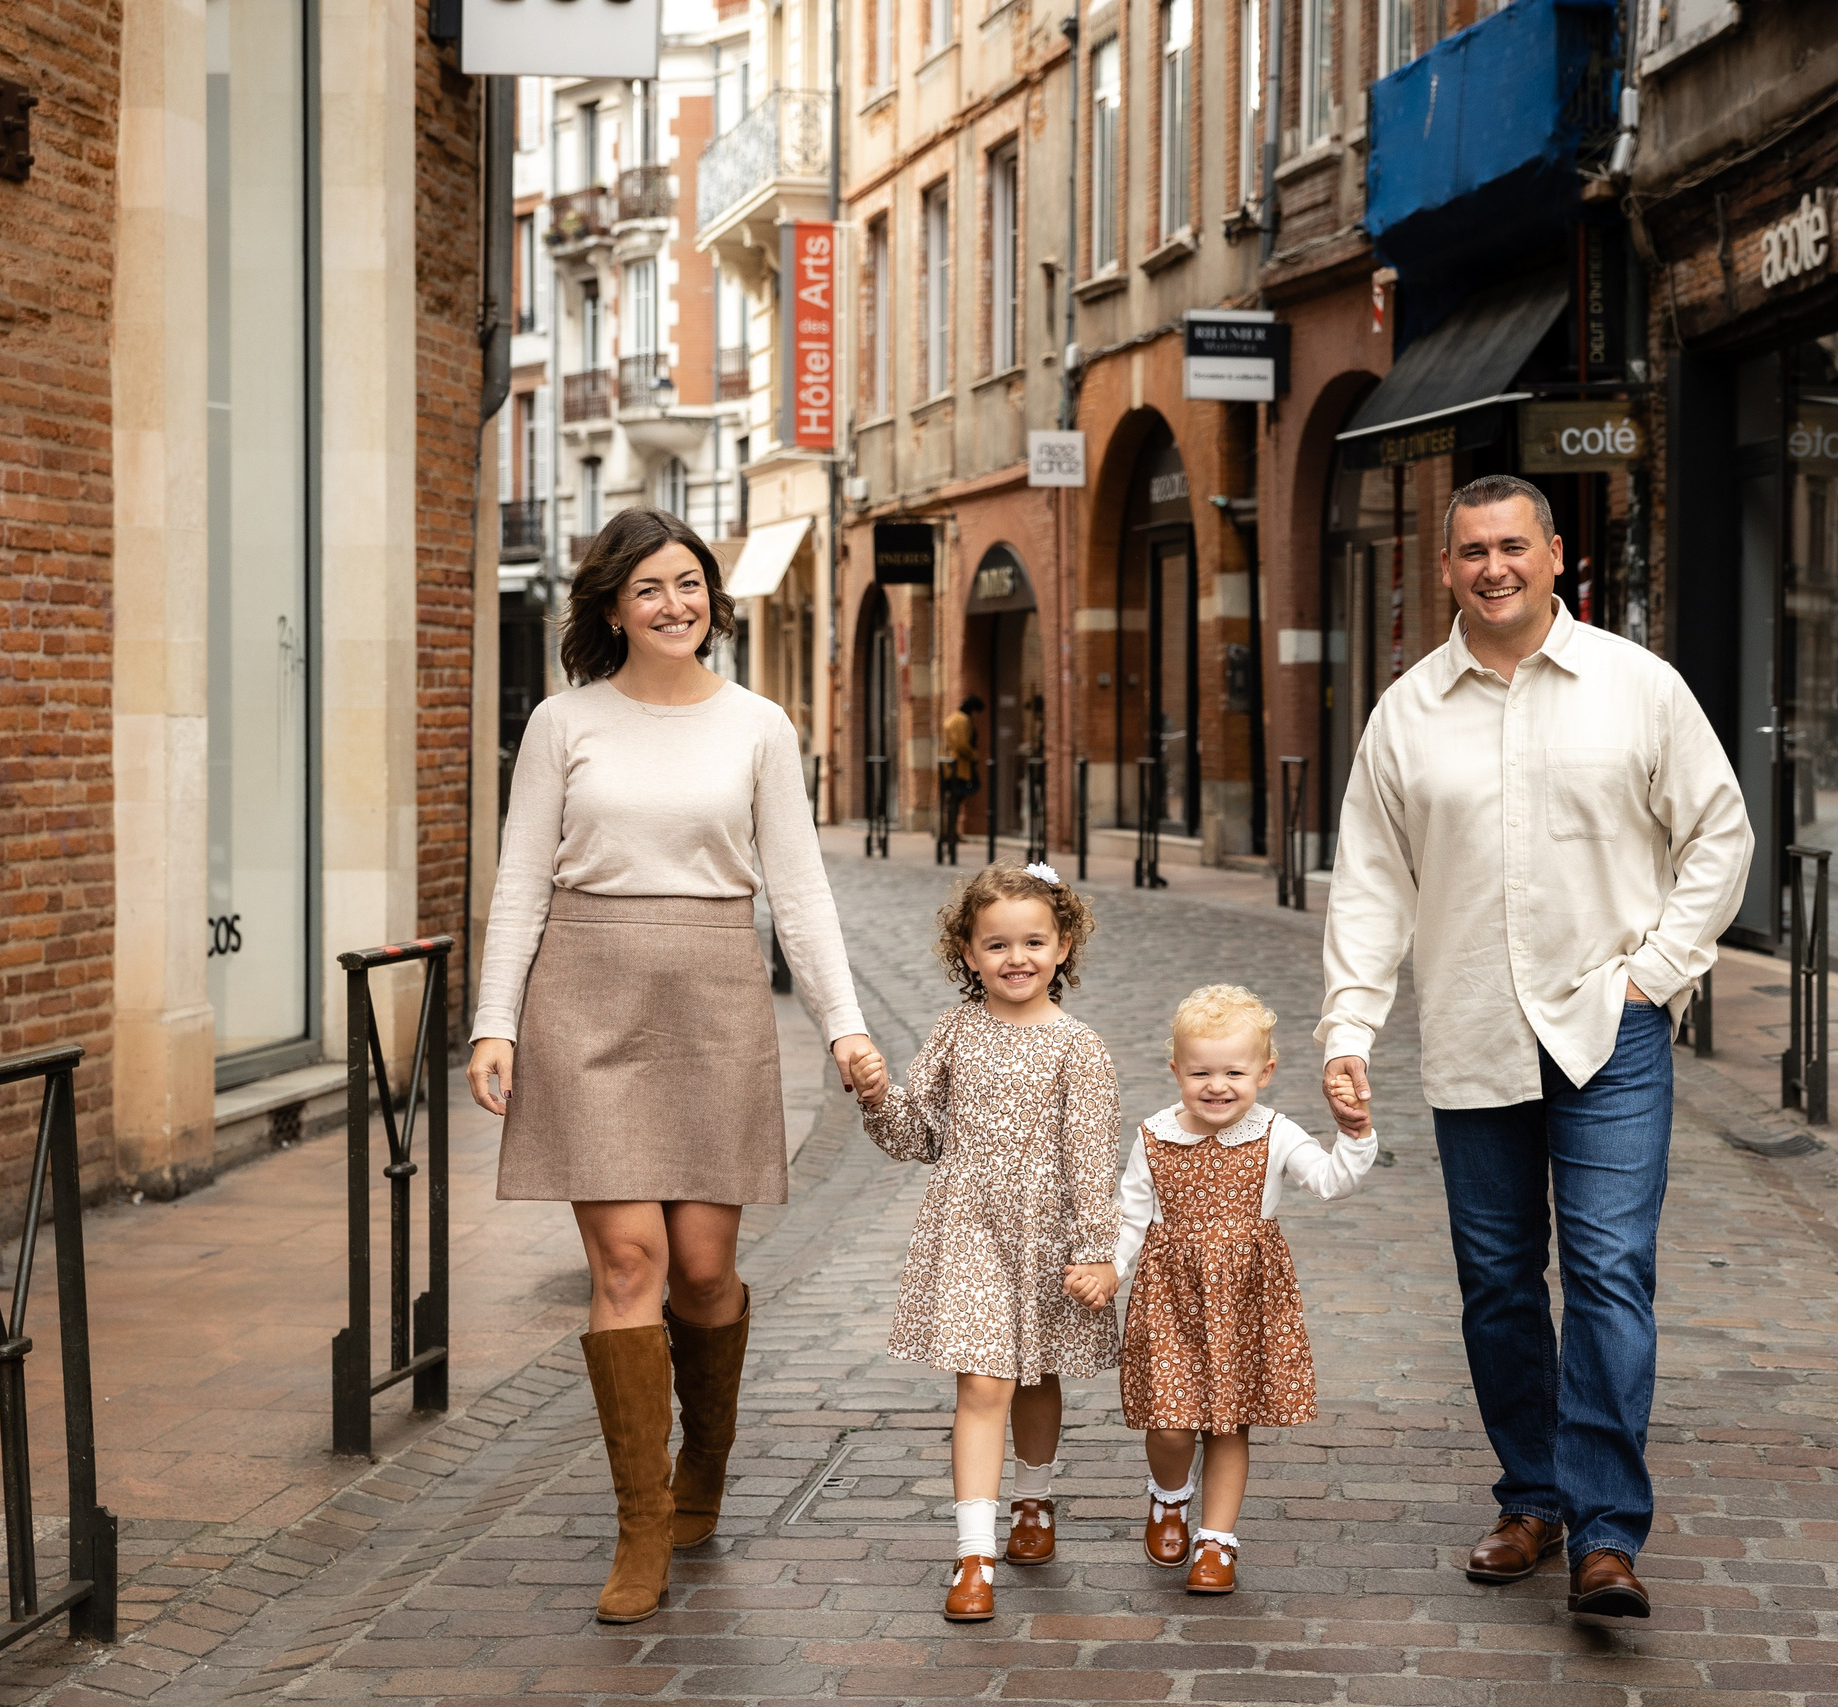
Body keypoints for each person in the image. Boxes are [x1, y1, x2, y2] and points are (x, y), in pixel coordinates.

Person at [1316, 474, 1752, 1626]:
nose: (1493, 567)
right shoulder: (1407, 714)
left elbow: (1718, 831)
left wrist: (1655, 973)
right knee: (1499, 1286)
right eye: (1471, 551)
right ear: (1444, 565)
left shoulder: (1635, 687)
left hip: (1610, 1032)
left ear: (1557, 555)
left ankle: (1606, 1534)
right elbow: (1369, 882)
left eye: (1514, 545)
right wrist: (1347, 1024)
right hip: (1470, 1031)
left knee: (1609, 1275)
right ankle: (1532, 1496)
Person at [465, 507, 882, 1626]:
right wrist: (494, 1018)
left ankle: (705, 1462)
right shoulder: (562, 723)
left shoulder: (759, 726)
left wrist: (844, 1024)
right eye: (648, 586)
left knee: (702, 1270)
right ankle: (640, 1520)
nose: (672, 603)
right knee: (628, 1263)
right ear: (611, 605)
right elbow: (517, 882)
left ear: (712, 599)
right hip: (584, 991)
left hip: (712, 993)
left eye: (688, 583)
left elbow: (796, 888)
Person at [849, 862, 1122, 1622]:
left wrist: (1098, 1249)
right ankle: (974, 1555)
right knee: (983, 1384)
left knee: (1035, 1375)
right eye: (996, 942)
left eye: (1034, 940)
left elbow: (1094, 1158)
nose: (1016, 957)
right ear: (967, 952)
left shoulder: (1080, 1048)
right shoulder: (954, 1030)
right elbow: (920, 1135)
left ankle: (1034, 1501)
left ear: (1063, 945)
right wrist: (878, 1097)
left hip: (1049, 1232)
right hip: (968, 1224)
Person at [1084, 984, 1375, 1595]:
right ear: (1176, 1070)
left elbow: (1330, 1181)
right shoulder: (1155, 1135)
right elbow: (1131, 1214)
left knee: (1227, 1423)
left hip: (1245, 1298)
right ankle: (1169, 1496)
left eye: (1235, 1072)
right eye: (1201, 1072)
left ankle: (1217, 1541)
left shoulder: (1276, 1133)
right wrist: (1110, 1266)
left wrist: (1353, 1134)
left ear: (1265, 1073)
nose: (1217, 1086)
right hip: (1170, 1294)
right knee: (1168, 1421)